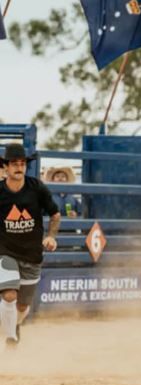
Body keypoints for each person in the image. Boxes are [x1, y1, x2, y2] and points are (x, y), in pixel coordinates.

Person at [0, 144, 60, 348]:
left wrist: (51, 237)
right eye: (14, 164)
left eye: (22, 163)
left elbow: (55, 214)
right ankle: (10, 340)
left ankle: (13, 326)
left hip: (32, 253)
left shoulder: (37, 188)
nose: (19, 167)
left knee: (23, 305)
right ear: (6, 167)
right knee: (9, 295)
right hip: (5, 252)